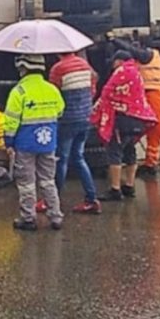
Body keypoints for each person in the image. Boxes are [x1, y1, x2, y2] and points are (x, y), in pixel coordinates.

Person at [3, 54, 66, 231]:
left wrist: (8, 141)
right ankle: (56, 217)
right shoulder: (52, 89)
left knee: (26, 183)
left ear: (23, 68)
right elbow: (60, 110)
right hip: (48, 142)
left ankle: (28, 218)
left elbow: (11, 121)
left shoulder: (19, 91)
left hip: (25, 144)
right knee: (48, 180)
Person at [113, 39, 160, 179]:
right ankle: (150, 163)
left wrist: (115, 40)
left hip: (154, 94)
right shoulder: (141, 58)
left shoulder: (150, 54)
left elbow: (137, 53)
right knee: (152, 129)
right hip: (148, 95)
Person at [90, 51, 156, 201]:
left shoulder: (122, 71)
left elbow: (107, 93)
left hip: (122, 119)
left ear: (119, 61)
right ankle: (129, 186)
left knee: (115, 153)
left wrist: (94, 113)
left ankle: (115, 188)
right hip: (138, 119)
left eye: (113, 62)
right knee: (130, 152)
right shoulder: (136, 72)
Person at [49, 51, 101, 214]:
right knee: (78, 157)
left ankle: (52, 200)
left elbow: (54, 95)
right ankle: (91, 199)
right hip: (85, 118)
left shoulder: (58, 69)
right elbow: (92, 90)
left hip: (67, 119)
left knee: (61, 159)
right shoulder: (86, 66)